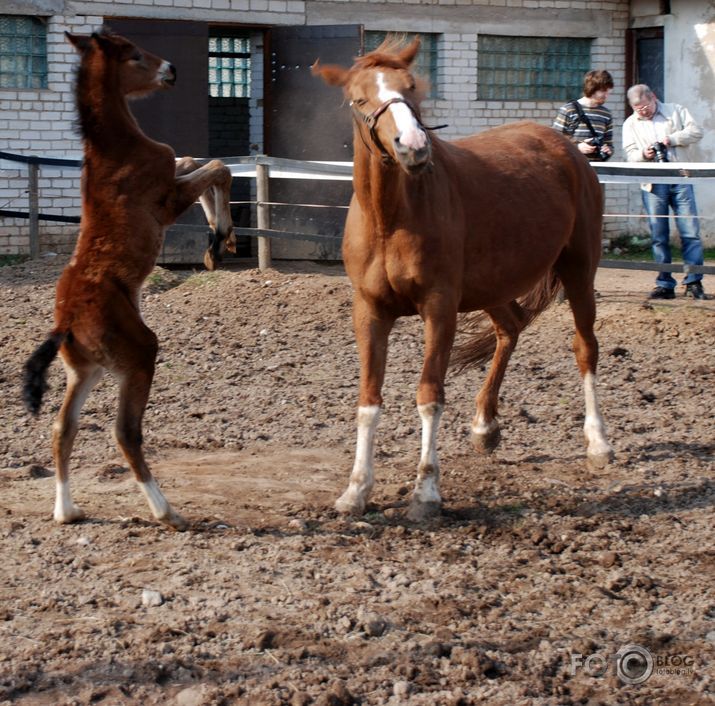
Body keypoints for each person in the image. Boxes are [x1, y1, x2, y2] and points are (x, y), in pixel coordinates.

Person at [622, 84, 706, 300]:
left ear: (654, 98)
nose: (642, 111)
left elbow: (697, 131)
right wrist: (644, 153)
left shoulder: (675, 110)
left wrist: (672, 140)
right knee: (659, 236)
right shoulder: (630, 124)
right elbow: (630, 155)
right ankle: (664, 284)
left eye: (645, 106)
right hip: (652, 183)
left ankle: (694, 283)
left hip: (681, 177)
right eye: (637, 108)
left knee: (690, 232)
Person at [552, 70, 614, 162]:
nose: (606, 95)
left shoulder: (606, 114)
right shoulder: (568, 110)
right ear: (592, 88)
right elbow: (554, 141)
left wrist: (608, 150)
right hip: (572, 168)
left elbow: (609, 144)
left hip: (596, 171)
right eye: (603, 91)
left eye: (608, 91)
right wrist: (577, 147)